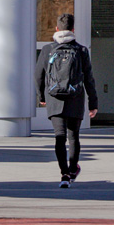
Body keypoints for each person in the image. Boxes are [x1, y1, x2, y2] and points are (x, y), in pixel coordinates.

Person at [36, 13, 98, 187]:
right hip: (75, 97)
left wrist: (42, 96)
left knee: (59, 136)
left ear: (56, 29)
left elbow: (38, 75)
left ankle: (63, 174)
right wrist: (93, 103)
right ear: (73, 30)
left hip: (54, 97)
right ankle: (72, 170)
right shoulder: (81, 50)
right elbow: (89, 79)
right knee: (73, 137)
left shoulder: (48, 50)